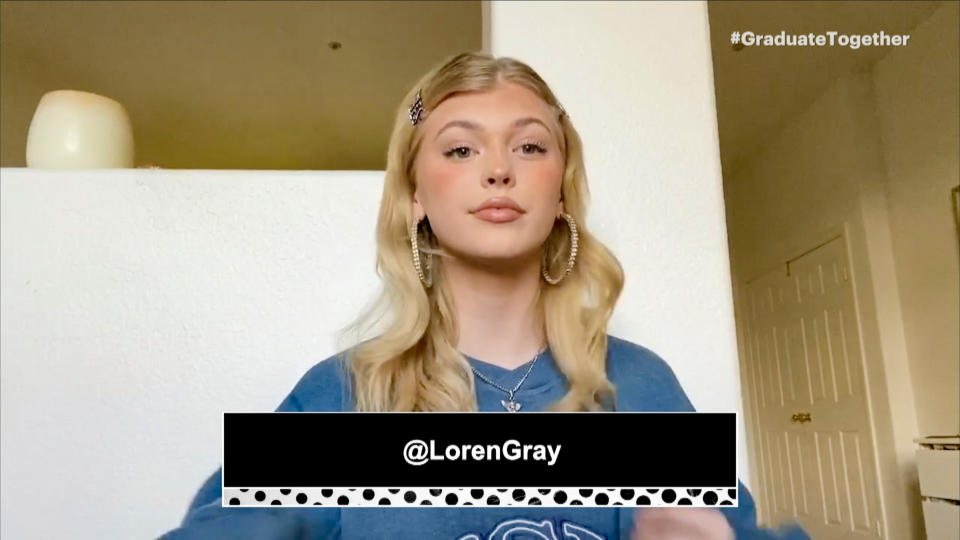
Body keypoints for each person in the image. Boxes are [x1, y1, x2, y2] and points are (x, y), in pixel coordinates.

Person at [161, 51, 809, 540]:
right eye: (461, 147)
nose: (498, 169)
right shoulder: (345, 394)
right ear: (416, 195)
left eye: (529, 145)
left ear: (559, 194)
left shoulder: (639, 386)